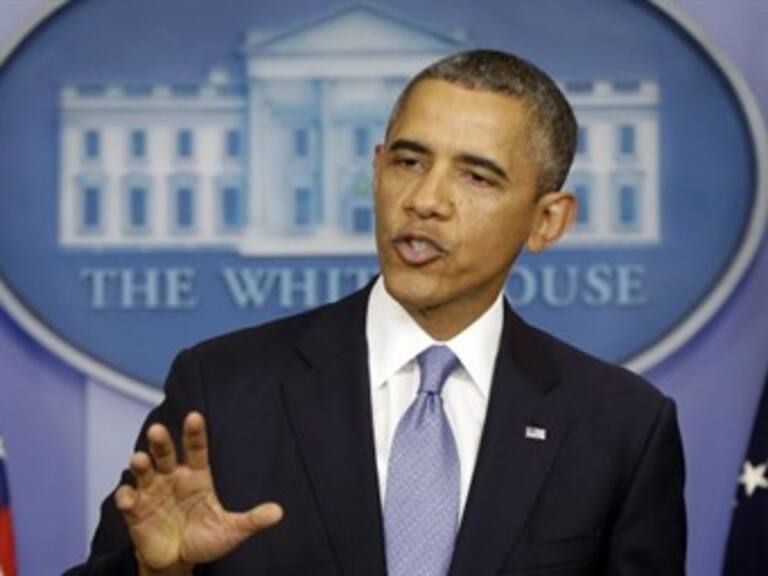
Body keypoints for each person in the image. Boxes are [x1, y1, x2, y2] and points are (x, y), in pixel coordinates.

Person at [66, 49, 686, 576]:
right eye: (408, 162)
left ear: (547, 220)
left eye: (476, 177)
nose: (425, 200)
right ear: (376, 169)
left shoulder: (621, 427)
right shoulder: (223, 390)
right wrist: (158, 572)